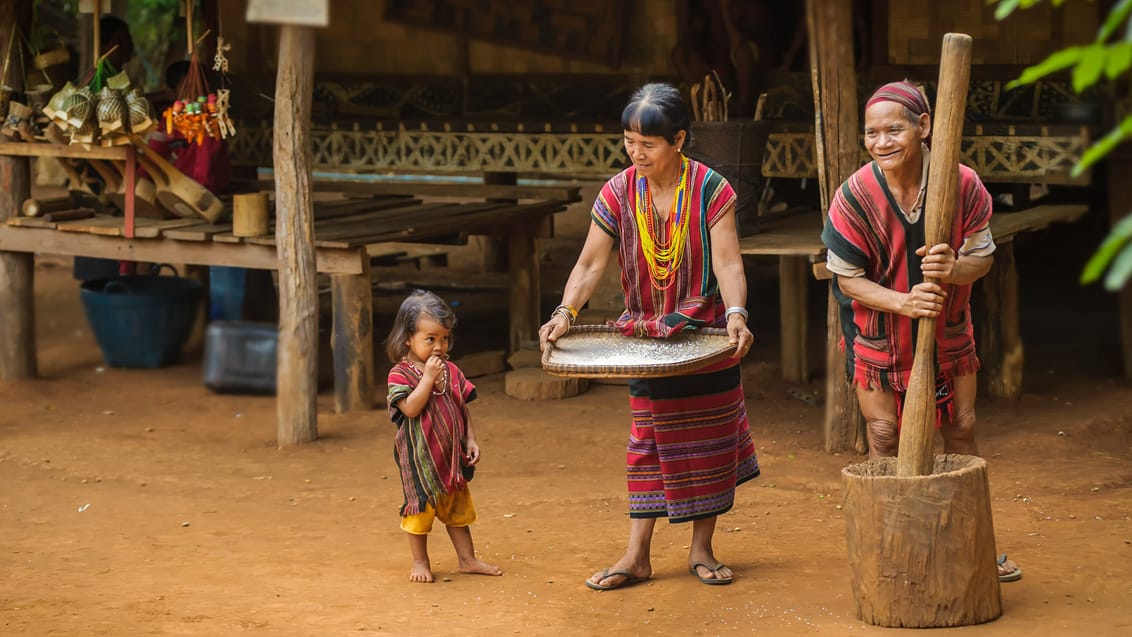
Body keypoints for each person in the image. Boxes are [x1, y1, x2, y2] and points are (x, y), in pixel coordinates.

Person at [538, 82, 759, 590]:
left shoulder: (711, 190)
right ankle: (637, 555)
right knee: (647, 442)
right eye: (629, 141)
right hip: (645, 339)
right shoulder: (617, 192)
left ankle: (702, 549)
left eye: (647, 143)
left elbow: (727, 261)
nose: (635, 152)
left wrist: (737, 314)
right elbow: (590, 261)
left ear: (678, 139)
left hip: (706, 335)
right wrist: (565, 312)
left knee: (711, 439)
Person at [820, 79, 1021, 583]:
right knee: (885, 436)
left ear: (925, 127)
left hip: (948, 331)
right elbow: (847, 278)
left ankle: (977, 544)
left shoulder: (963, 183)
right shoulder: (854, 196)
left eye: (895, 129)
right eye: (872, 133)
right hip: (880, 337)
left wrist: (953, 270)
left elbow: (984, 257)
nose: (882, 142)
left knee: (962, 429)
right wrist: (904, 302)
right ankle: (892, 547)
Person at [385, 289, 503, 583]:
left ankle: (467, 559)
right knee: (419, 515)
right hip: (421, 463)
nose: (439, 346)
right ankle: (420, 562)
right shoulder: (400, 375)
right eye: (430, 339)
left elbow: (462, 407)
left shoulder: (450, 370)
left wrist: (470, 439)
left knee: (458, 512)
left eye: (444, 338)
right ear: (407, 339)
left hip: (451, 461)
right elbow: (410, 409)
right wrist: (427, 379)